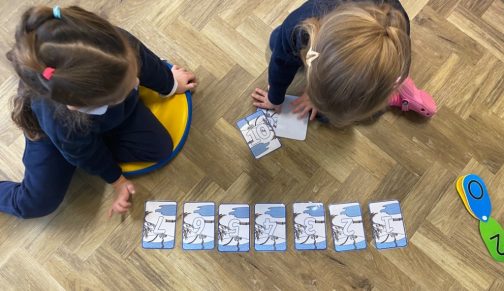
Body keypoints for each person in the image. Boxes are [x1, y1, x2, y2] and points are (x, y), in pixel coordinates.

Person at [0, 6, 197, 218]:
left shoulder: (111, 45)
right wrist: (117, 180)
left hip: (94, 119)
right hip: (56, 136)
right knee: (37, 203)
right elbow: (84, 152)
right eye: (125, 88)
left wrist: (170, 84)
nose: (137, 82)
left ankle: (94, 139)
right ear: (81, 105)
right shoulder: (61, 121)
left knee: (159, 147)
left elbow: (144, 60)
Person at [251, 0, 437, 126]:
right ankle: (393, 85)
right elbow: (280, 63)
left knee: (330, 114)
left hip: (387, 67)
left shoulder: (395, 33)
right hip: (315, 31)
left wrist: (320, 101)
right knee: (278, 40)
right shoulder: (297, 27)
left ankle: (395, 89)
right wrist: (275, 96)